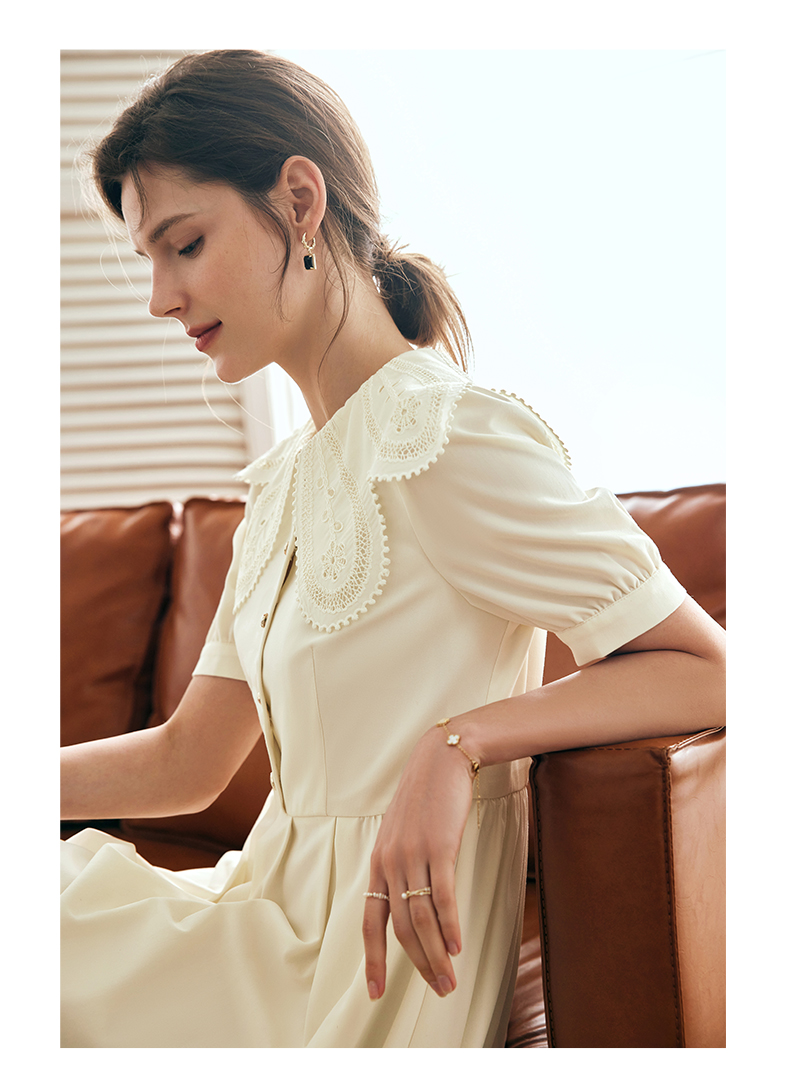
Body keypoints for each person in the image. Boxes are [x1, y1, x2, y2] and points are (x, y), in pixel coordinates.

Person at [60, 49, 726, 1048]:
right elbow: (188, 762)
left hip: (357, 972)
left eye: (184, 244)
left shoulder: (445, 436)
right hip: (262, 920)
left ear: (298, 201)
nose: (160, 296)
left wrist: (458, 744)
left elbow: (710, 670)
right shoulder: (282, 484)